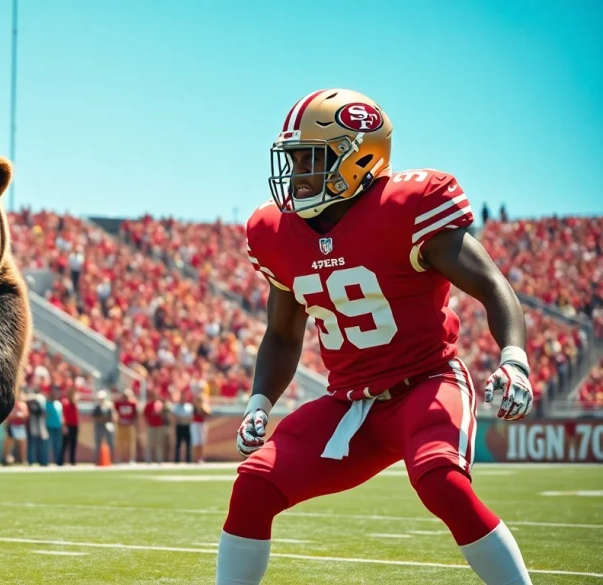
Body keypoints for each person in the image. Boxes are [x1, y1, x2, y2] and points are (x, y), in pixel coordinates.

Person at [216, 89, 534, 585]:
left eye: (310, 159)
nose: (296, 173)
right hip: (348, 403)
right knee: (254, 485)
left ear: (359, 156)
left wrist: (513, 358)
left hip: (426, 384)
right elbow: (281, 333)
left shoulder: (408, 206)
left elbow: (492, 285)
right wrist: (261, 400)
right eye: (293, 158)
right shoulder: (277, 232)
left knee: (442, 482)